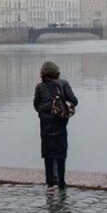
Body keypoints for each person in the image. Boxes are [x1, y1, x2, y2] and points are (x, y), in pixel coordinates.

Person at [33, 61, 78, 192]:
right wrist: (62, 107)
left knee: (48, 153)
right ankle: (62, 183)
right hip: (60, 120)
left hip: (45, 122)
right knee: (60, 151)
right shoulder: (63, 83)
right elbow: (74, 100)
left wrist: (43, 112)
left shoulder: (40, 87)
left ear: (43, 73)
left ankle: (50, 184)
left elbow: (36, 104)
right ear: (56, 72)